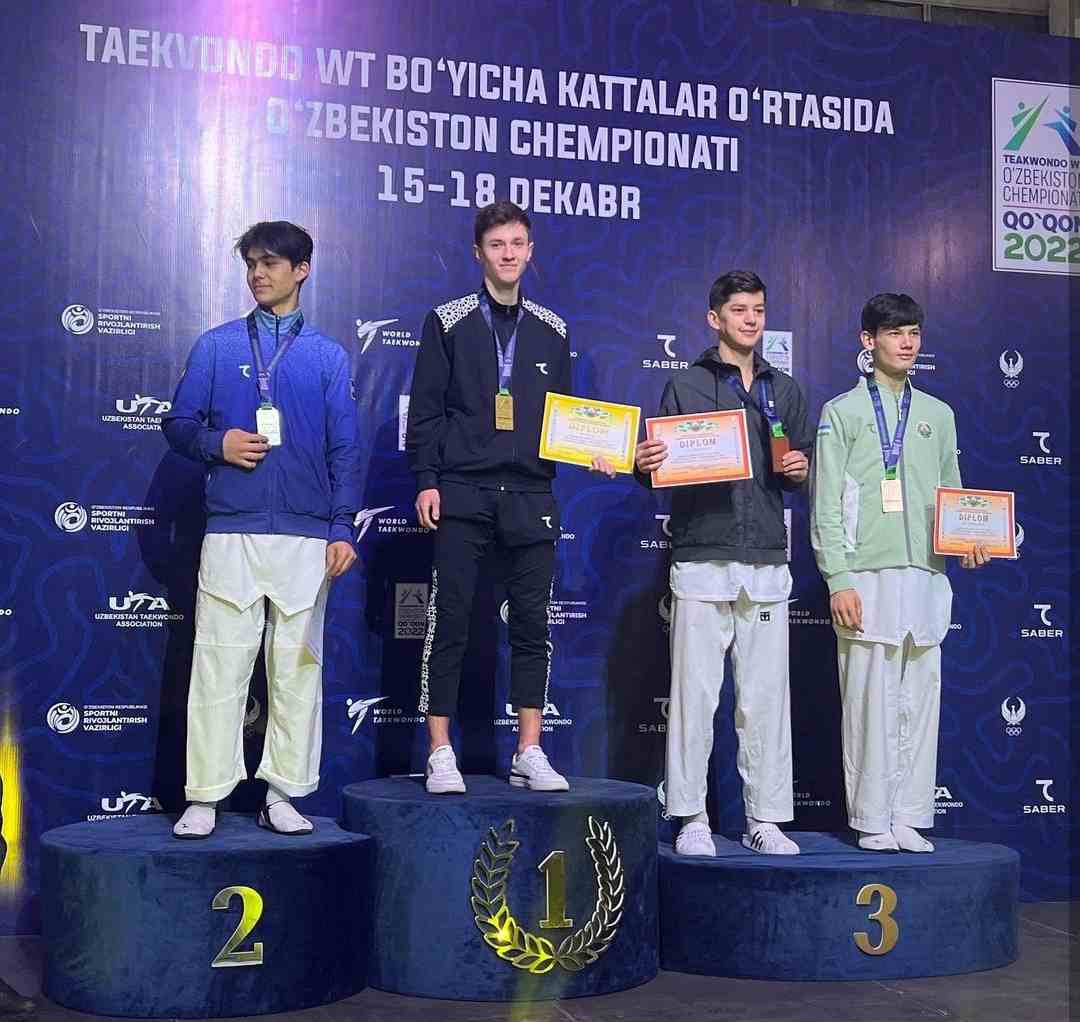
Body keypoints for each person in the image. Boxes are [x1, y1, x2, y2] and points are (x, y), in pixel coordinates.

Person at [406, 201, 613, 794]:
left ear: (530, 251)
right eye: (497, 244)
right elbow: (426, 412)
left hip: (530, 493)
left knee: (531, 625)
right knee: (449, 620)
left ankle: (529, 749)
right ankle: (440, 750)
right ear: (478, 253)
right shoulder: (447, 321)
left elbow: (564, 418)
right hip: (463, 489)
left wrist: (593, 450)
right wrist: (427, 479)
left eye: (517, 243)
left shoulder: (552, 328)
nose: (508, 254)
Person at [163, 221, 361, 837]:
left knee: (297, 672)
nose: (258, 274)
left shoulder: (327, 357)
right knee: (217, 667)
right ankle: (205, 796)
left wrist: (341, 528)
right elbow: (178, 424)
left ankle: (283, 793)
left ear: (302, 270)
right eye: (252, 263)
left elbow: (345, 450)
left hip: (306, 537)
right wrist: (217, 443)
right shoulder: (217, 346)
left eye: (271, 263)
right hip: (232, 530)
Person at [634, 270, 811, 856]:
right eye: (739, 310)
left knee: (765, 699)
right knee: (694, 697)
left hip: (765, 559)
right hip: (702, 555)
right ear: (715, 319)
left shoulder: (784, 389)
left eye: (758, 309)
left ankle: (766, 819)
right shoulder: (685, 384)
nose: (751, 319)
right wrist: (645, 463)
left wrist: (801, 469)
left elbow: (799, 466)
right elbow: (656, 467)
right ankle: (690, 816)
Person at [811, 293, 989, 852]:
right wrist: (838, 577)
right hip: (866, 573)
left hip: (926, 573)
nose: (907, 342)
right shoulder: (842, 411)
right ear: (869, 341)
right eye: (894, 333)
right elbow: (824, 503)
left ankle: (909, 814)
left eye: (913, 332)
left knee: (919, 698)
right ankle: (871, 818)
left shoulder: (938, 414)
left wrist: (972, 539)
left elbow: (953, 492)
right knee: (871, 699)